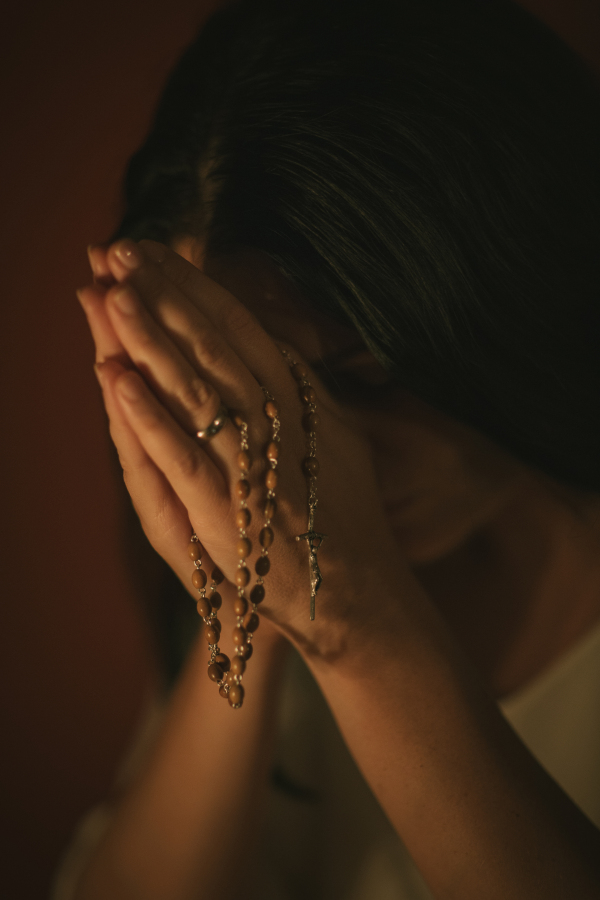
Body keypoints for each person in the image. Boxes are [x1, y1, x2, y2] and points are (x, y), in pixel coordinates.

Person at [55, 0, 600, 896]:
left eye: (368, 375)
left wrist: (359, 620)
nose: (320, 453)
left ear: (515, 295)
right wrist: (261, 595)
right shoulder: (268, 569)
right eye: (248, 393)